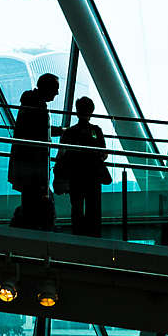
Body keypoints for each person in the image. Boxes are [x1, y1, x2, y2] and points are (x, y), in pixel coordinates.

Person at [8, 74, 61, 230]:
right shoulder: (37, 107)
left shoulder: (31, 104)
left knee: (31, 203)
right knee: (38, 204)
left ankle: (27, 232)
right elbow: (39, 135)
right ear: (47, 88)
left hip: (27, 168)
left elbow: (37, 132)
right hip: (33, 169)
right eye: (55, 89)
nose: (57, 93)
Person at [55, 97, 111, 237]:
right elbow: (104, 153)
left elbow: (62, 154)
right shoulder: (96, 131)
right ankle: (93, 236)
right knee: (94, 208)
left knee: (77, 208)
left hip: (76, 176)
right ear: (91, 112)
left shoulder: (69, 132)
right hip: (93, 175)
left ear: (77, 112)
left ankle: (78, 236)